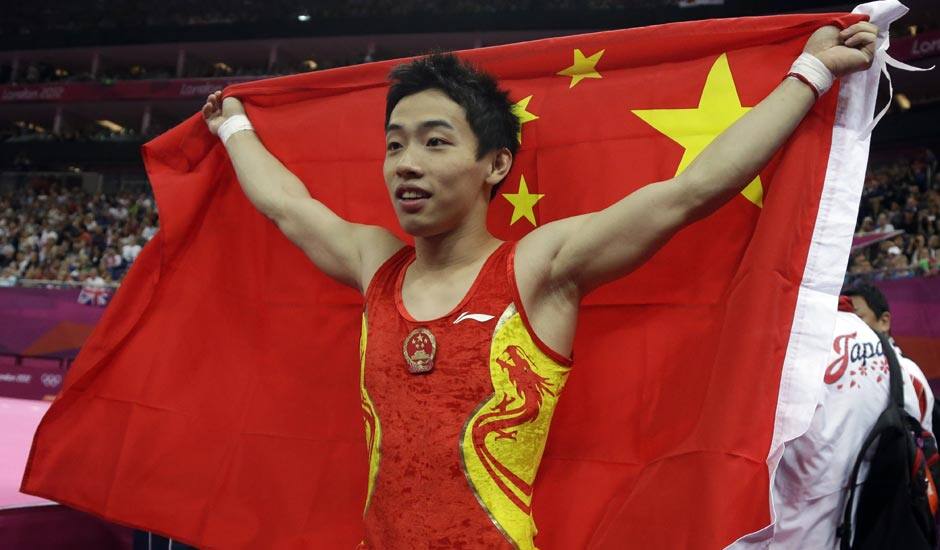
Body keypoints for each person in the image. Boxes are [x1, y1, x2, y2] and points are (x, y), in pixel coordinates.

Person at [201, 23, 878, 548]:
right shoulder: (375, 262)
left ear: (495, 163)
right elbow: (287, 205)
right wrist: (230, 124)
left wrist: (810, 73)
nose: (406, 164)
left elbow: (691, 191)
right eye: (395, 143)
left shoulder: (538, 268)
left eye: (435, 142)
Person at [771, 296, 932, 548]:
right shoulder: (894, 360)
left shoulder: (793, 350)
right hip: (875, 519)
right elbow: (918, 432)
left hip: (802, 527)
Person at [844, 283, 934, 420]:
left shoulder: (910, 376)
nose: (846, 328)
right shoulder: (827, 376)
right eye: (841, 321)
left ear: (884, 321)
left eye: (857, 318)